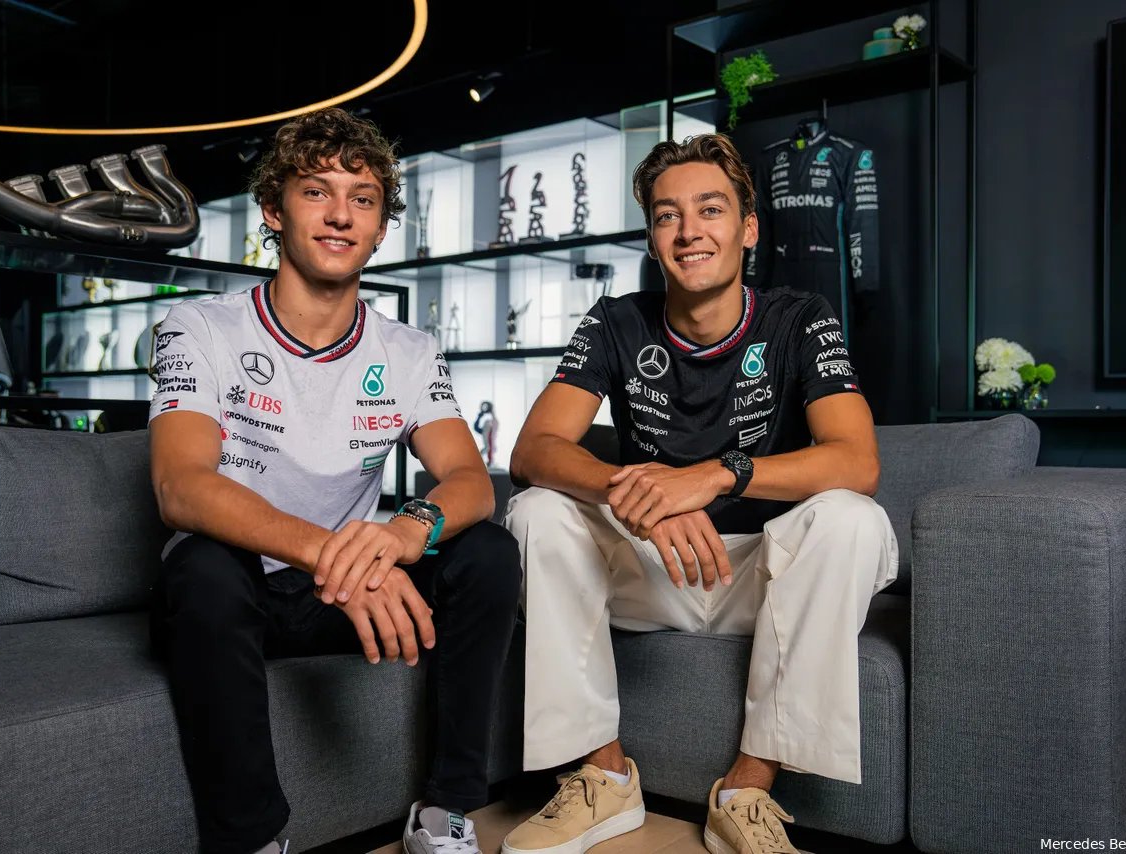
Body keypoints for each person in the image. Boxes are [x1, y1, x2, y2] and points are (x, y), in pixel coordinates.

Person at [501, 133, 898, 854]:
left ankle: (745, 794)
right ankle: (604, 778)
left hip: (762, 574)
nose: (689, 232)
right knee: (534, 510)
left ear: (748, 228)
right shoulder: (616, 319)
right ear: (653, 238)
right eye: (667, 216)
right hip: (653, 568)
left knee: (855, 520)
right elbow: (534, 451)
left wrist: (719, 474)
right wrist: (639, 497)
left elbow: (857, 460)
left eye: (709, 210)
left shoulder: (799, 317)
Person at [147, 107, 521, 854]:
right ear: (272, 211)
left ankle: (445, 814)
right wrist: (338, 553)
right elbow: (180, 487)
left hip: (338, 596)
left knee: (488, 553)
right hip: (242, 593)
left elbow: (470, 481)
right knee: (200, 566)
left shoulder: (409, 350)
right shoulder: (198, 329)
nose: (341, 215)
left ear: (382, 228)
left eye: (364, 198)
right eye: (316, 191)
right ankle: (252, 840)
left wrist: (399, 534)